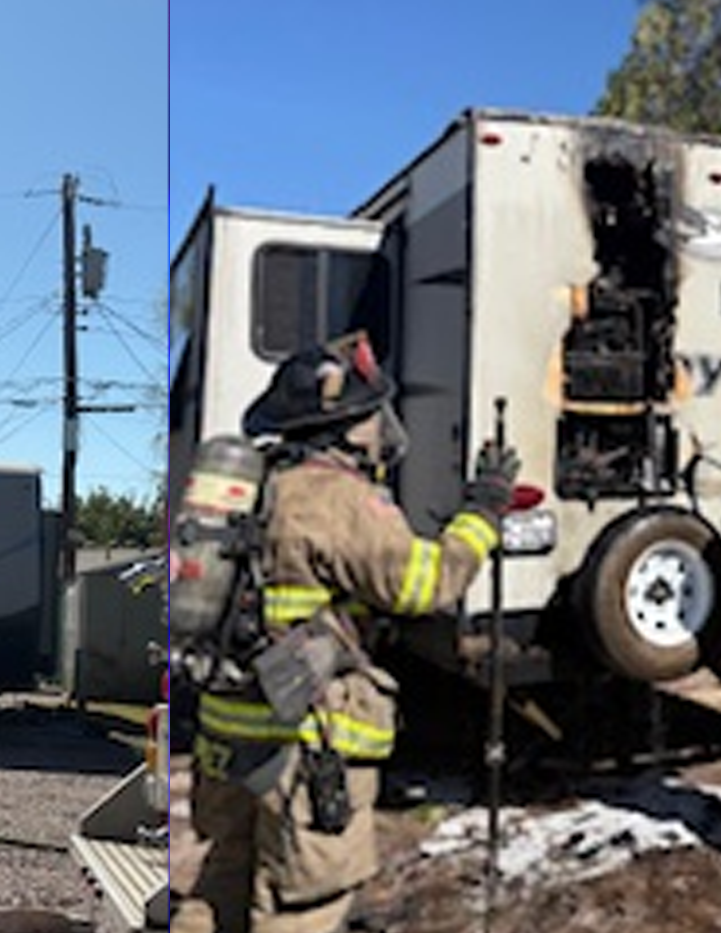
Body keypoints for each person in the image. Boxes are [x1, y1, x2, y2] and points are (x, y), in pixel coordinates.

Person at [172, 331, 512, 933]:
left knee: (222, 881)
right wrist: (483, 512)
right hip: (305, 742)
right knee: (304, 904)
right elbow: (423, 585)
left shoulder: (259, 485)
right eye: (370, 414)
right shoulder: (337, 496)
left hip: (225, 733)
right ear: (344, 426)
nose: (381, 427)